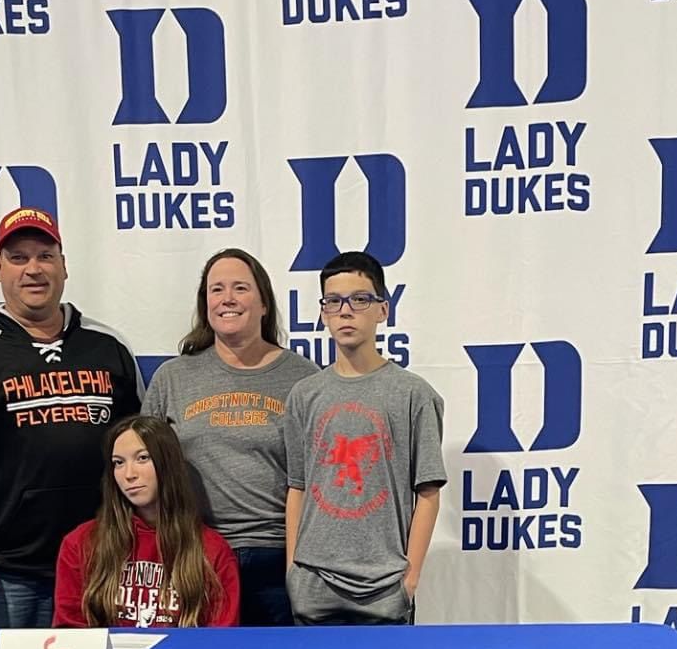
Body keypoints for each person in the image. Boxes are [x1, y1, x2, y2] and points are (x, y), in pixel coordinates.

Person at [0, 206, 143, 627]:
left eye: (45, 256)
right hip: (8, 572)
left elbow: (144, 451)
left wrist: (146, 539)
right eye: (18, 258)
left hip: (105, 561)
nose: (33, 269)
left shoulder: (109, 347)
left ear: (63, 266)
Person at [142, 248, 318, 624]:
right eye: (216, 289)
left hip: (280, 557)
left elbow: (320, 479)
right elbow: (144, 470)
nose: (228, 299)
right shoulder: (173, 378)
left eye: (241, 287)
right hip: (195, 556)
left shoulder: (304, 379)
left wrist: (300, 566)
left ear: (265, 302)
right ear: (205, 304)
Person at [284, 251, 445, 625]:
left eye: (360, 299)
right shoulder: (304, 395)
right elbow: (298, 487)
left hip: (385, 587)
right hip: (313, 585)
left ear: (383, 310)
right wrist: (294, 568)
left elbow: (429, 493)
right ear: (323, 313)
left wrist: (410, 578)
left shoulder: (413, 394)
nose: (345, 311)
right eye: (333, 301)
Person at [53, 415, 239, 628]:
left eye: (142, 458)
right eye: (118, 463)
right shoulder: (81, 543)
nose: (129, 474)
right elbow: (69, 634)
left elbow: (220, 641)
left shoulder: (212, 550)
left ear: (167, 464)